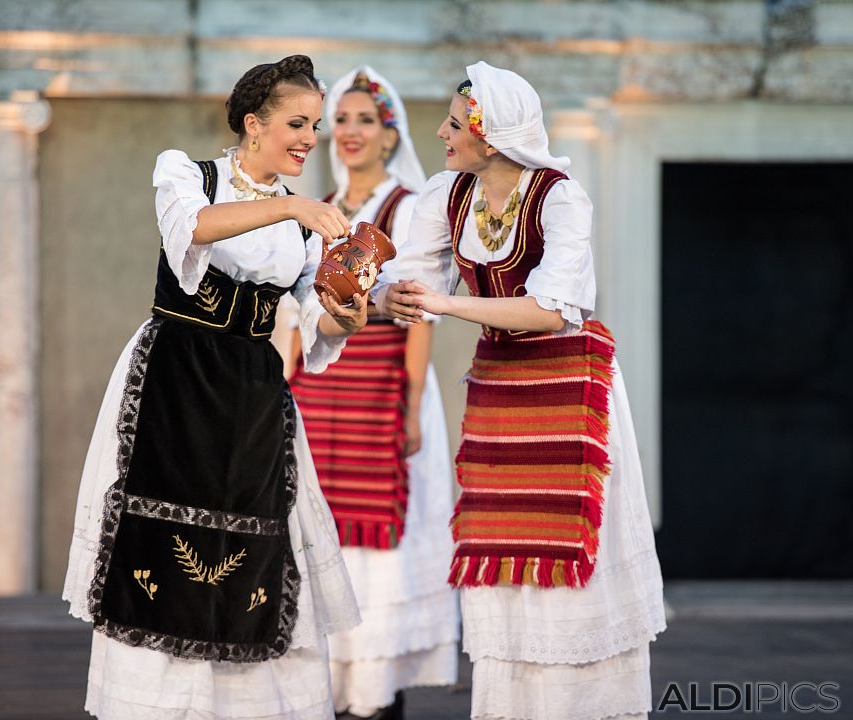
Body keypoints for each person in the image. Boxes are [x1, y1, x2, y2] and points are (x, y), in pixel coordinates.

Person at [62, 55, 370, 720]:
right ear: (253, 124)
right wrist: (293, 205)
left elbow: (315, 316)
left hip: (252, 391)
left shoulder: (303, 219)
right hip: (172, 379)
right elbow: (190, 231)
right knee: (157, 533)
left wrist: (347, 313)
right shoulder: (187, 173)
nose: (308, 139)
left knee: (255, 539)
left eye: (314, 126)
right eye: (297, 123)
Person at [372, 61, 666, 720]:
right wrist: (374, 291)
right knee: (504, 548)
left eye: (454, 123)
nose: (442, 132)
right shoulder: (448, 195)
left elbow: (551, 309)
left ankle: (581, 706)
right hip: (503, 388)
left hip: (568, 388)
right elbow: (407, 280)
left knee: (565, 554)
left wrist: (443, 309)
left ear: (492, 134)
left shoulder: (558, 195)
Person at [287, 66, 460, 719]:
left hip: (384, 393)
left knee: (377, 550)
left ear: (390, 135)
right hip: (319, 391)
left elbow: (416, 310)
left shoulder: (410, 206)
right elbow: (293, 309)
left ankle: (375, 692)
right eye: (343, 119)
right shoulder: (321, 207)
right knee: (318, 532)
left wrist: (413, 406)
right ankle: (328, 687)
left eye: (366, 119)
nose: (351, 131)